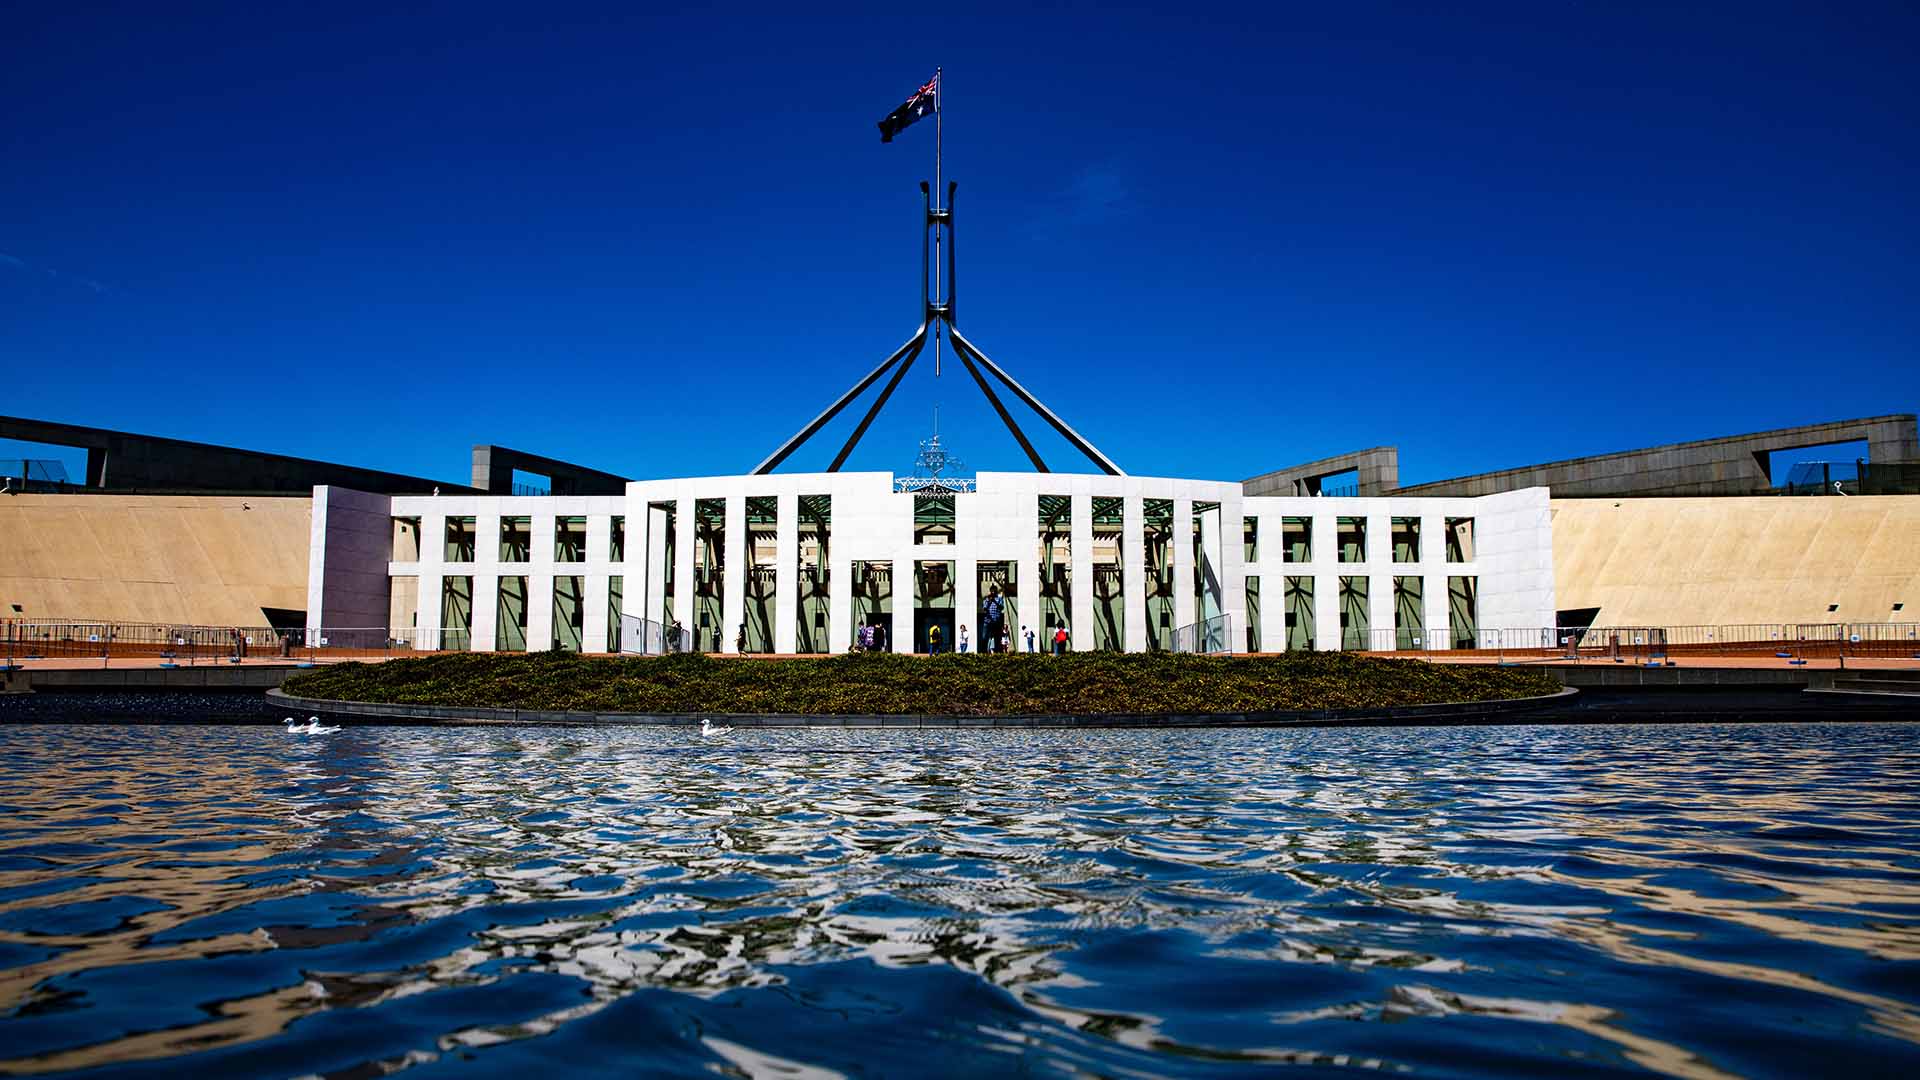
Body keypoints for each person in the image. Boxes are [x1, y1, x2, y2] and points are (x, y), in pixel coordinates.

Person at [982, 585, 1005, 654]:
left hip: (996, 621)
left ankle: (997, 651)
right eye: (992, 590)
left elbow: (1001, 607)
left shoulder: (999, 598)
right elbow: (985, 608)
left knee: (997, 637)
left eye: (994, 590)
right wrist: (989, 601)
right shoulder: (987, 599)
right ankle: (984, 652)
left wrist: (994, 601)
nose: (993, 592)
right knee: (984, 637)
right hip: (988, 621)